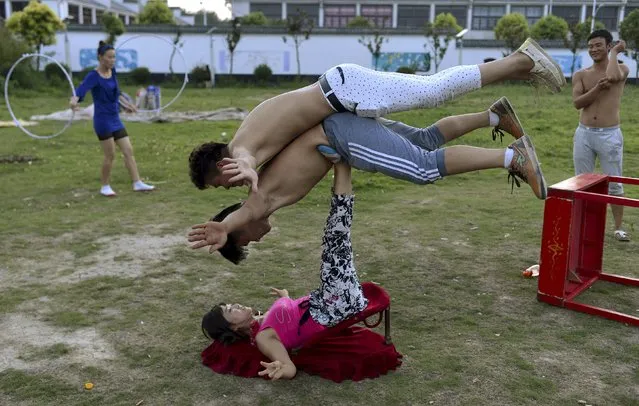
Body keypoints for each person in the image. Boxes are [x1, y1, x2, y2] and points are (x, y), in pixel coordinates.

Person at [188, 97, 546, 263]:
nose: (255, 242)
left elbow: (246, 212)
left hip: (340, 131)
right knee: (423, 139)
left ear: (241, 230)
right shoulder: (263, 188)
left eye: (246, 244)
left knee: (422, 167)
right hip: (340, 126)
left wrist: (223, 227)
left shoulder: (260, 196)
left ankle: (514, 158)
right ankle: (494, 116)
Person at [210, 38, 565, 192]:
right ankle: (519, 69)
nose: (229, 186)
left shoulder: (243, 148)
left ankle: (521, 60)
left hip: (344, 92)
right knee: (427, 117)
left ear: (220, 166)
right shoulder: (250, 139)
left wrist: (245, 166)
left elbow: (244, 158)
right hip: (342, 95)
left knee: (433, 89)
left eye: (219, 183)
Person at [201, 163, 368, 380]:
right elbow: (288, 365)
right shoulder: (262, 339)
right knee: (336, 237)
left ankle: (342, 166)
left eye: (246, 241)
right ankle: (343, 165)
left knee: (336, 238)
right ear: (232, 327)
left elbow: (288, 323)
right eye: (231, 309)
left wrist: (285, 299)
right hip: (335, 303)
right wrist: (280, 369)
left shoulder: (261, 322)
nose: (257, 239)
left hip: (329, 300)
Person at [70, 41, 155, 197]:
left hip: (115, 118)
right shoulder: (93, 76)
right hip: (102, 121)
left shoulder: (112, 72)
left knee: (128, 150)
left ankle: (137, 183)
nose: (112, 60)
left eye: (114, 57)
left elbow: (117, 93)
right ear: (100, 57)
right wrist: (74, 101)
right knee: (110, 155)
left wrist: (128, 105)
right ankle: (105, 186)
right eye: (109, 57)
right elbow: (80, 91)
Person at [572, 30, 630, 241]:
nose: (594, 49)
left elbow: (613, 76)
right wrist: (596, 89)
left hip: (610, 134)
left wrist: (615, 52)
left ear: (607, 46)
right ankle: (582, 224)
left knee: (615, 183)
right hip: (584, 134)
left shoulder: (622, 68)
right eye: (590, 46)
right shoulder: (582, 74)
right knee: (582, 182)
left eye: (598, 45)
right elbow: (577, 103)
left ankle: (618, 227)